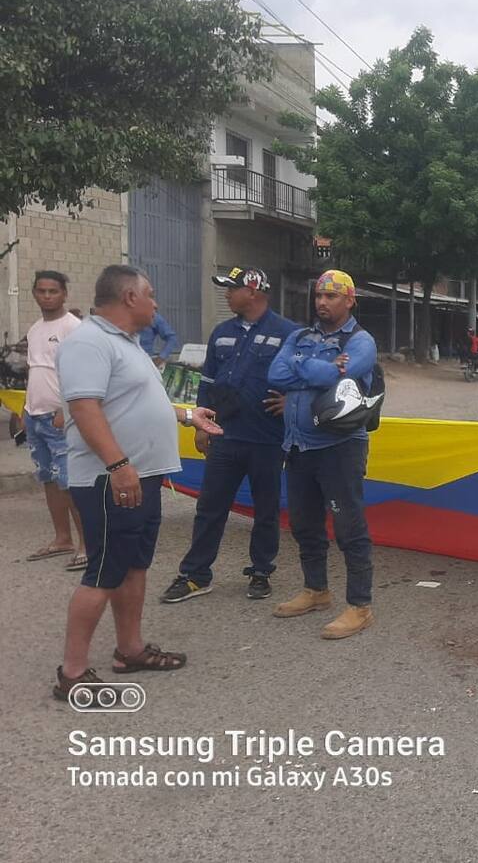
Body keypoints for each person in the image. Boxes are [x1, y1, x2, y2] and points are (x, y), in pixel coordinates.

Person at [52, 265, 222, 702]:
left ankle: (130, 650)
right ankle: (72, 672)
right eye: (150, 294)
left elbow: (138, 401)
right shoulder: (88, 342)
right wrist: (118, 465)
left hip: (140, 475)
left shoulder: (127, 343)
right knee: (104, 571)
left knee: (134, 564)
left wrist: (186, 415)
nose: (156, 303)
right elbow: (85, 408)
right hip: (112, 480)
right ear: (129, 297)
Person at [160, 268, 299, 604]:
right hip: (225, 435)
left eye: (231, 288)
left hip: (267, 439)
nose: (226, 294)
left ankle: (261, 571)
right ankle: (195, 575)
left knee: (266, 509)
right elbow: (208, 381)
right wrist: (199, 424)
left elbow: (306, 376)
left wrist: (294, 401)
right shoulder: (222, 332)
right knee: (210, 507)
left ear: (253, 291)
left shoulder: (289, 333)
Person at [267, 269, 377, 640]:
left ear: (349, 300)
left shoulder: (361, 342)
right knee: (303, 524)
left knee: (349, 526)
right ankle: (316, 590)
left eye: (331, 297)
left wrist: (299, 366)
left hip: (339, 447)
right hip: (297, 445)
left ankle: (360, 605)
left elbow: (337, 379)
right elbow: (275, 374)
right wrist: (315, 369)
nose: (322, 303)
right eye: (318, 296)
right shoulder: (301, 336)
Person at [21, 271, 86, 569]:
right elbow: (36, 370)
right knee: (48, 478)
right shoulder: (35, 330)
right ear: (34, 293)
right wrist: (24, 410)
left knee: (69, 482)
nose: (47, 296)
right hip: (35, 416)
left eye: (53, 291)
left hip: (61, 418)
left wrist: (66, 409)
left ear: (64, 294)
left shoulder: (74, 328)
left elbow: (81, 373)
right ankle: (63, 539)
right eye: (42, 291)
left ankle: (88, 544)